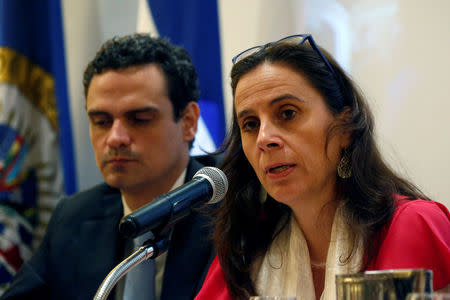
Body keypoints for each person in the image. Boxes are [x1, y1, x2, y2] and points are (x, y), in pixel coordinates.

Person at [195, 34, 450, 300]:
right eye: (250, 124)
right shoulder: (246, 250)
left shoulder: (412, 225)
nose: (264, 138)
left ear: (345, 128)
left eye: (287, 113)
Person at [0, 33, 218, 300]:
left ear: (188, 122)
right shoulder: (74, 218)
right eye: (102, 121)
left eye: (138, 119)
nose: (115, 138)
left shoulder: (235, 213)